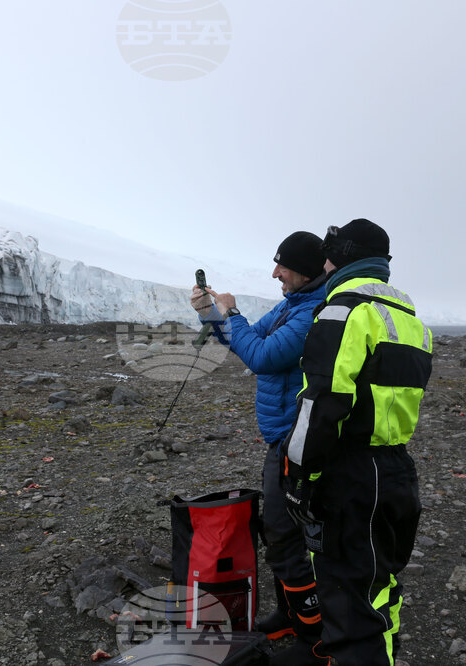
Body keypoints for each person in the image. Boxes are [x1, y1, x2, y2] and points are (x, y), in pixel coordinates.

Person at [280, 219, 433, 665]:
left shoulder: (343, 311)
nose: (323, 263)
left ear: (344, 256)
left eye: (329, 254)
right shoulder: (411, 321)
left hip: (351, 474)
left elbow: (323, 402)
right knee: (380, 585)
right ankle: (384, 653)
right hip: (397, 470)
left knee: (347, 596)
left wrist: (298, 474)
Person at [190, 231, 327, 662]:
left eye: (282, 265)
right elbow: (243, 340)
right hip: (281, 438)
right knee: (279, 532)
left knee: (286, 536)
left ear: (304, 269)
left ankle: (315, 635)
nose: (275, 272)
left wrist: (231, 312)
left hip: (296, 440)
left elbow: (263, 357)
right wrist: (213, 314)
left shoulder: (313, 314)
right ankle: (291, 614)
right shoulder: (292, 305)